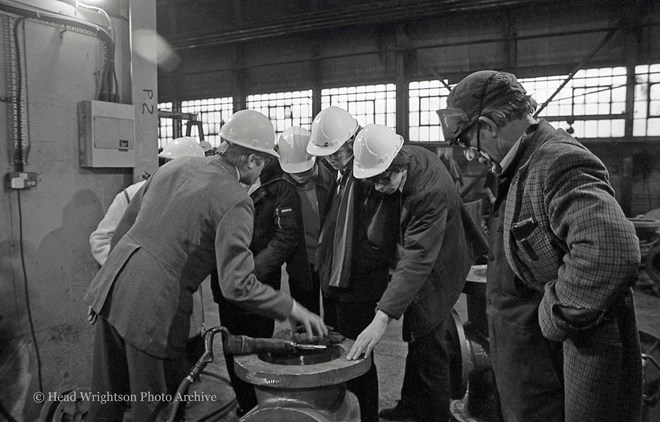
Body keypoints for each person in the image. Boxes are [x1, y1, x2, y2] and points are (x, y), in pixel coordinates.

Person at [84, 109, 327, 421]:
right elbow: (237, 286)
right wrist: (293, 308)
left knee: (106, 400)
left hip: (113, 287)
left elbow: (128, 223)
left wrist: (106, 282)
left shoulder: (178, 166)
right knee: (156, 407)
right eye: (265, 162)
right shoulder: (235, 200)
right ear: (252, 160)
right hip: (152, 308)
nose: (264, 171)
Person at [438, 70, 642, 422]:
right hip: (525, 368)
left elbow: (610, 251)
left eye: (471, 145)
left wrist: (553, 317)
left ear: (489, 125)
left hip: (550, 368)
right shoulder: (519, 165)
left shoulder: (555, 160)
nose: (472, 156)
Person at [347, 124, 487, 422]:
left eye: (382, 181)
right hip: (426, 253)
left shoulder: (428, 192)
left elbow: (418, 259)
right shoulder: (405, 156)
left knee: (429, 345)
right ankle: (410, 407)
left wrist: (380, 319)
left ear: (397, 168)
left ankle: (436, 415)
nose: (378, 188)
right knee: (416, 336)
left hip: (441, 265)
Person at [307, 107, 400, 422]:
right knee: (340, 356)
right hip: (335, 283)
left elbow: (381, 240)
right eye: (327, 153)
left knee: (358, 361)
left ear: (352, 139)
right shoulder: (342, 176)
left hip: (356, 288)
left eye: (336, 150)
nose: (331, 158)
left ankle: (367, 418)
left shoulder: (368, 174)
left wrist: (360, 270)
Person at [211, 156, 304, 416]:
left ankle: (262, 407)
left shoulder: (278, 186)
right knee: (232, 347)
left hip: (260, 286)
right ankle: (246, 405)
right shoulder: (221, 181)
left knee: (260, 349)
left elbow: (286, 236)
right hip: (225, 286)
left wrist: (249, 271)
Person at [278, 126, 337, 314]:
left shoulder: (333, 179)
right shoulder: (279, 185)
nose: (301, 175)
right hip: (300, 265)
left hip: (331, 262)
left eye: (305, 170)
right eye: (295, 172)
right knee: (305, 325)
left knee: (334, 323)